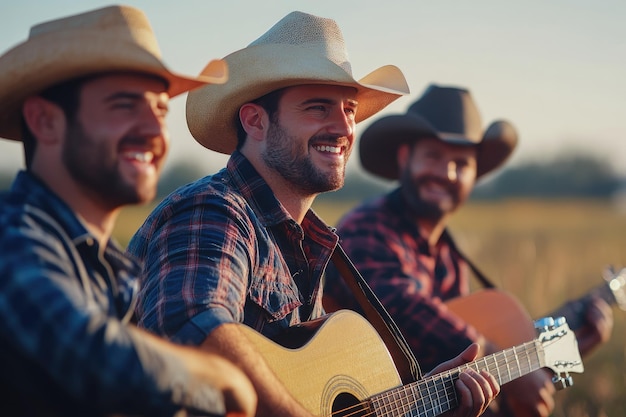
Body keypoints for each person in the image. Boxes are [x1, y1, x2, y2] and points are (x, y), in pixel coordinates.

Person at [128, 11, 500, 417]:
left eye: (350, 109)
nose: (343, 126)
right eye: (318, 108)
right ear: (255, 121)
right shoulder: (214, 211)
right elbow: (192, 323)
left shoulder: (310, 241)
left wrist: (428, 403)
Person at [0, 5, 257, 417]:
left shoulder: (107, 269)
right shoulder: (10, 237)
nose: (155, 131)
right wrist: (223, 379)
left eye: (160, 109)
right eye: (125, 105)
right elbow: (89, 355)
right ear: (45, 121)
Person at [323, 84, 615, 417]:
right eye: (433, 156)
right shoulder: (367, 227)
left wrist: (560, 350)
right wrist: (496, 358)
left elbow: (446, 369)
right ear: (405, 158)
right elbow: (399, 311)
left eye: (461, 163)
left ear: (475, 175)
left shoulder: (450, 258)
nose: (446, 173)